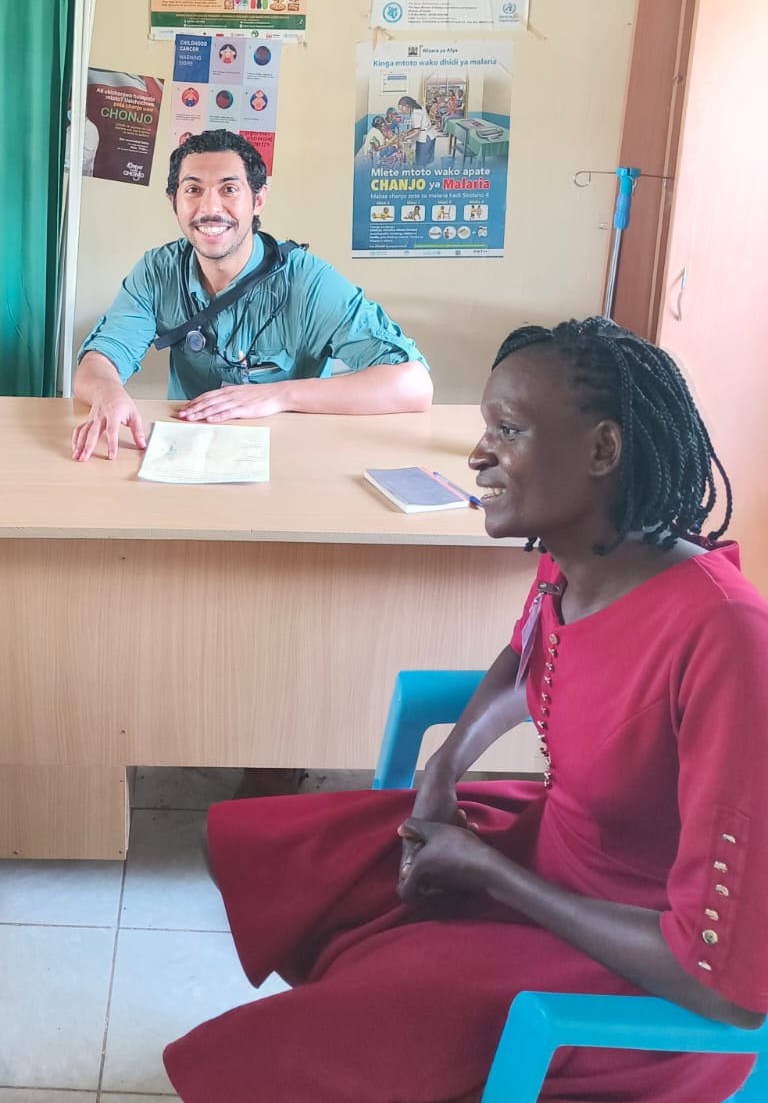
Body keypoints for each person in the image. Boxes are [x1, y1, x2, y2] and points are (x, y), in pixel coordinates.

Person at [163, 317, 768, 1102]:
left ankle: (387, 1033)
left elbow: (721, 988)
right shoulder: (585, 553)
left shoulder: (726, 638)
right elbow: (530, 658)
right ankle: (381, 1031)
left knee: (278, 1053)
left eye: (507, 431)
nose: (480, 455)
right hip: (548, 849)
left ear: (602, 450)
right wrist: (445, 768)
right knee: (260, 852)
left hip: (631, 967)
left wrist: (489, 872)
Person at [72, 128, 431, 464]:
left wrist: (280, 395)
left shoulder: (308, 281)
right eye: (193, 190)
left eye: (229, 189)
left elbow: (413, 384)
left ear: (258, 200)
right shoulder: (157, 272)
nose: (210, 208)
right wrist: (107, 391)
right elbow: (99, 363)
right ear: (174, 201)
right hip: (187, 454)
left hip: (293, 457)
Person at [398, 91, 437, 166]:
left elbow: (416, 132)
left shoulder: (416, 113)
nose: (402, 111)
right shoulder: (416, 108)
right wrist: (406, 132)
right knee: (423, 160)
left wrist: (404, 138)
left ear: (407, 106)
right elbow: (415, 127)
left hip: (425, 137)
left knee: (421, 162)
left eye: (402, 109)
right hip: (427, 135)